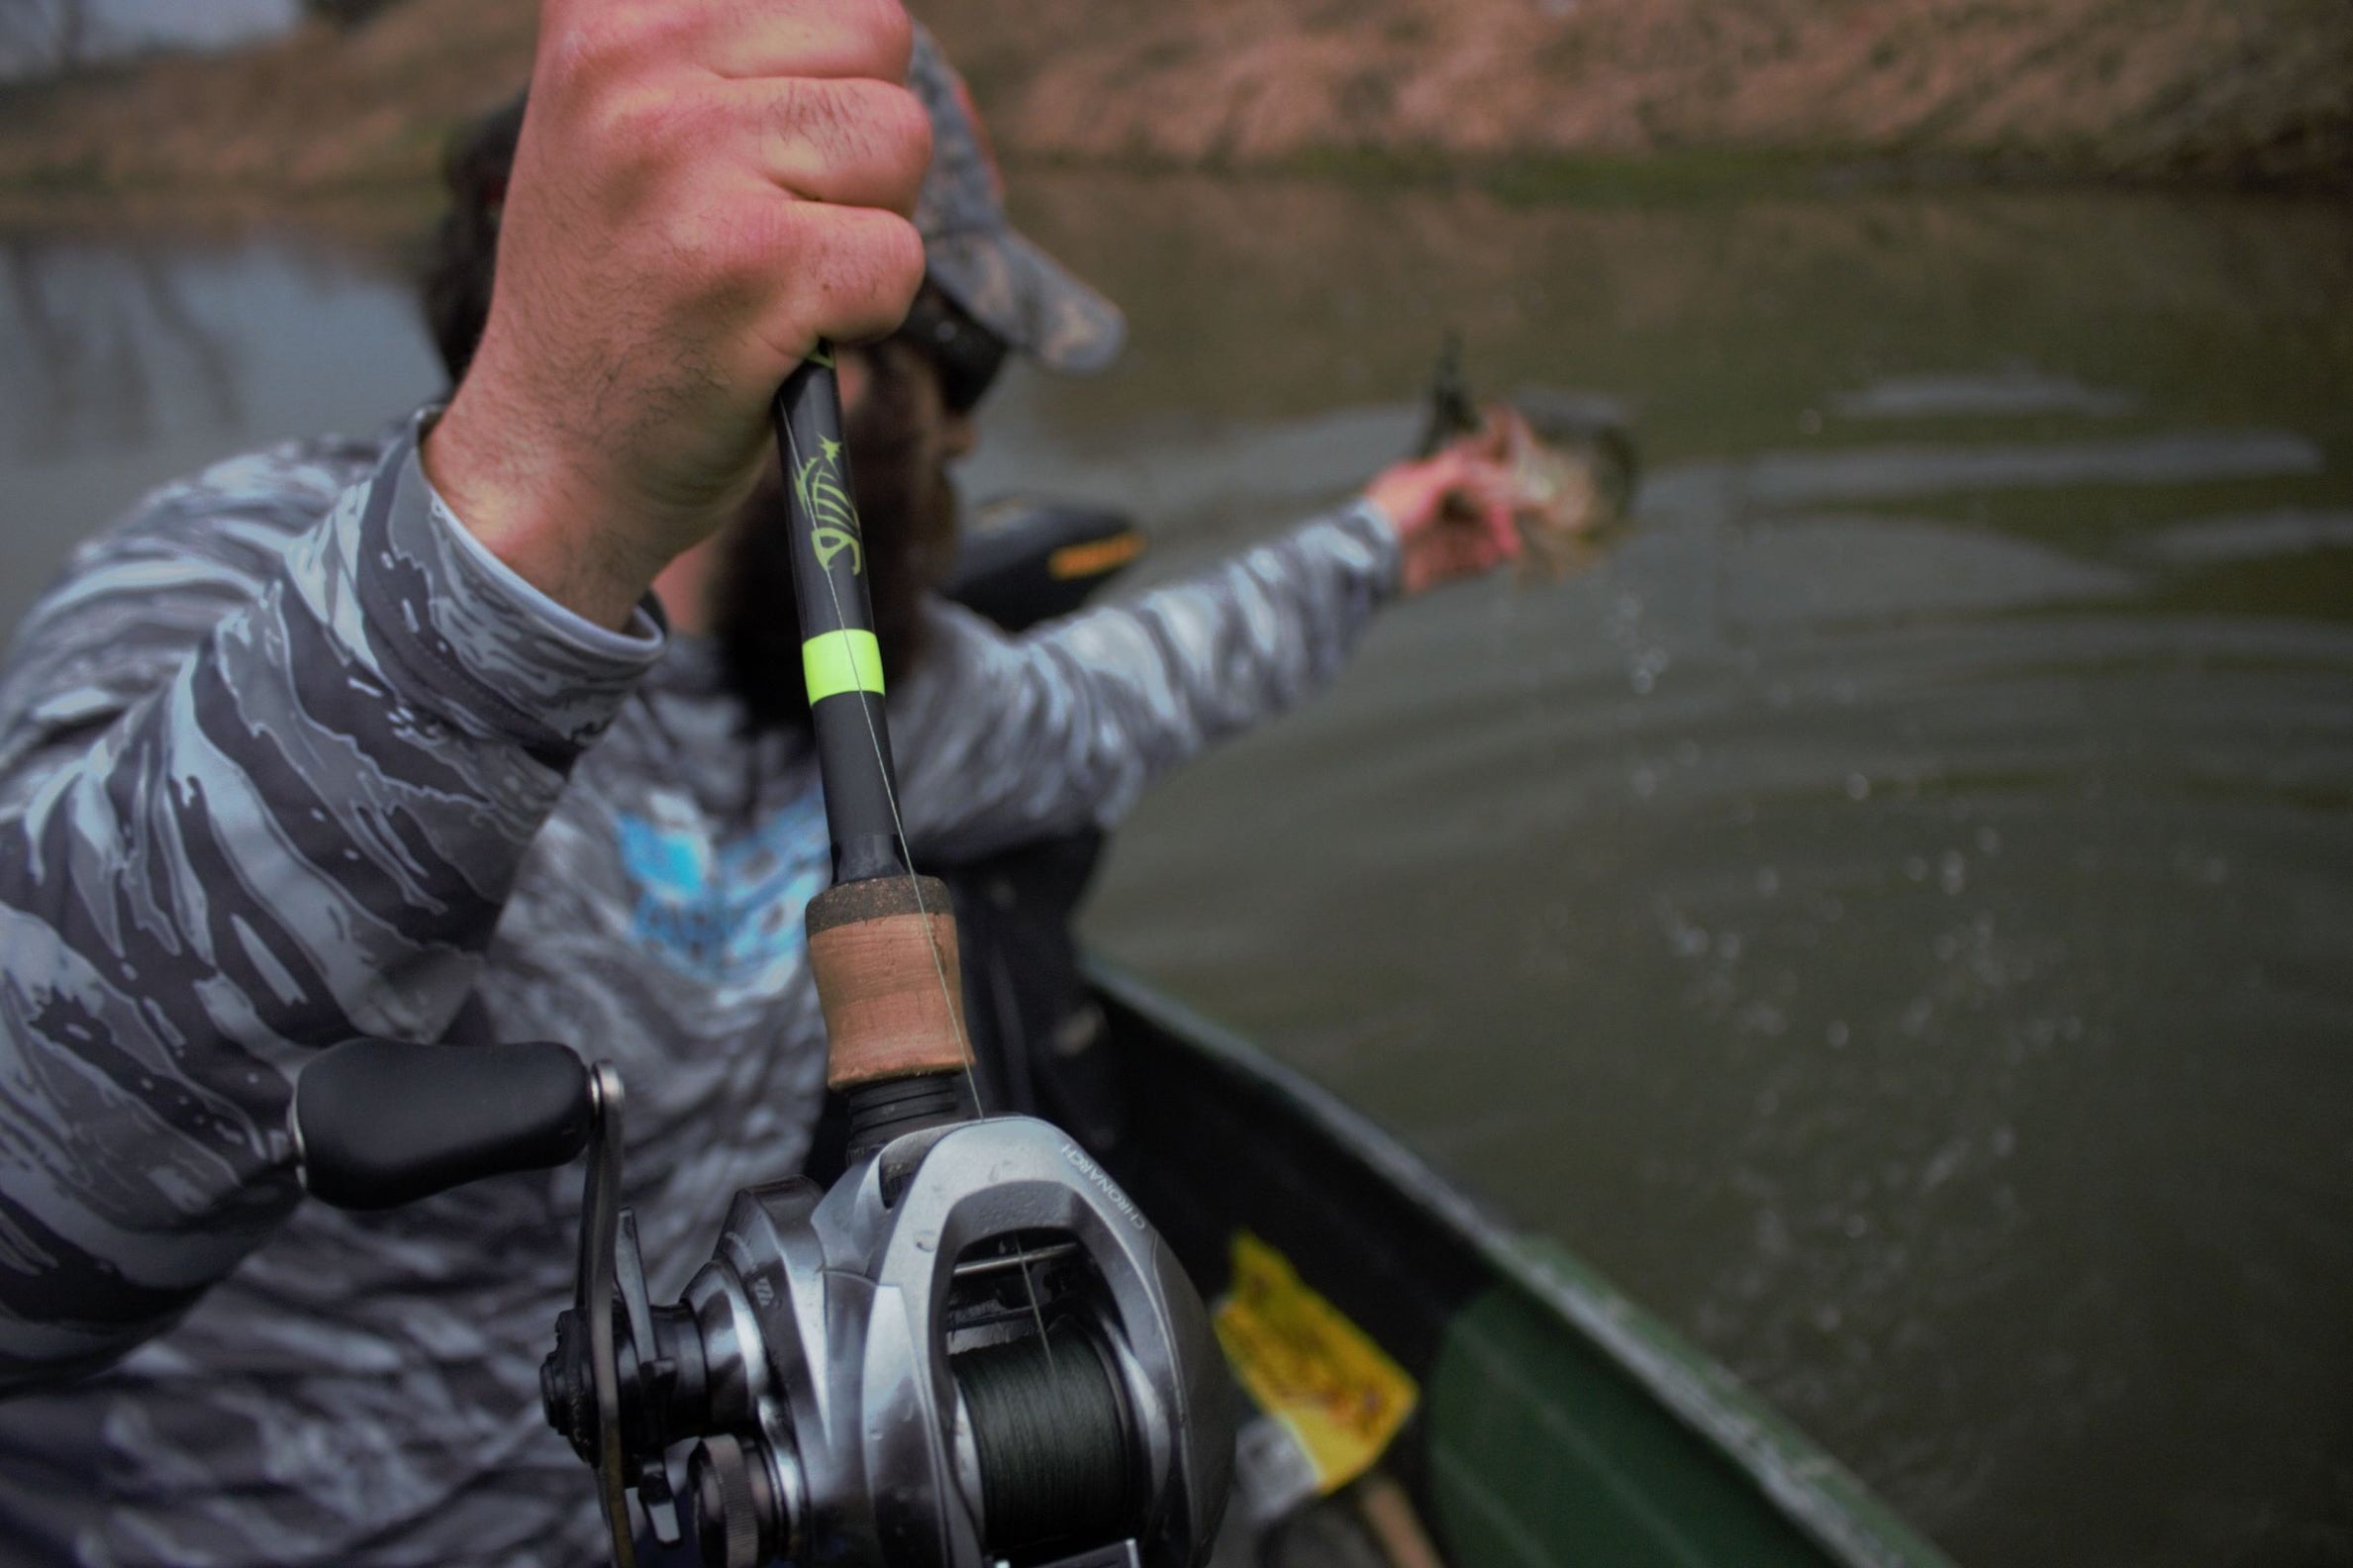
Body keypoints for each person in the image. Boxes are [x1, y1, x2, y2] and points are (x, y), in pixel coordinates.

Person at [0, 5, 1519, 1563]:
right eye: (957, 363)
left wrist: (1389, 537)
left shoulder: (880, 680)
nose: (971, 435)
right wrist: (549, 495)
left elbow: (1128, 691)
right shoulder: (234, 577)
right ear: (812, 351)